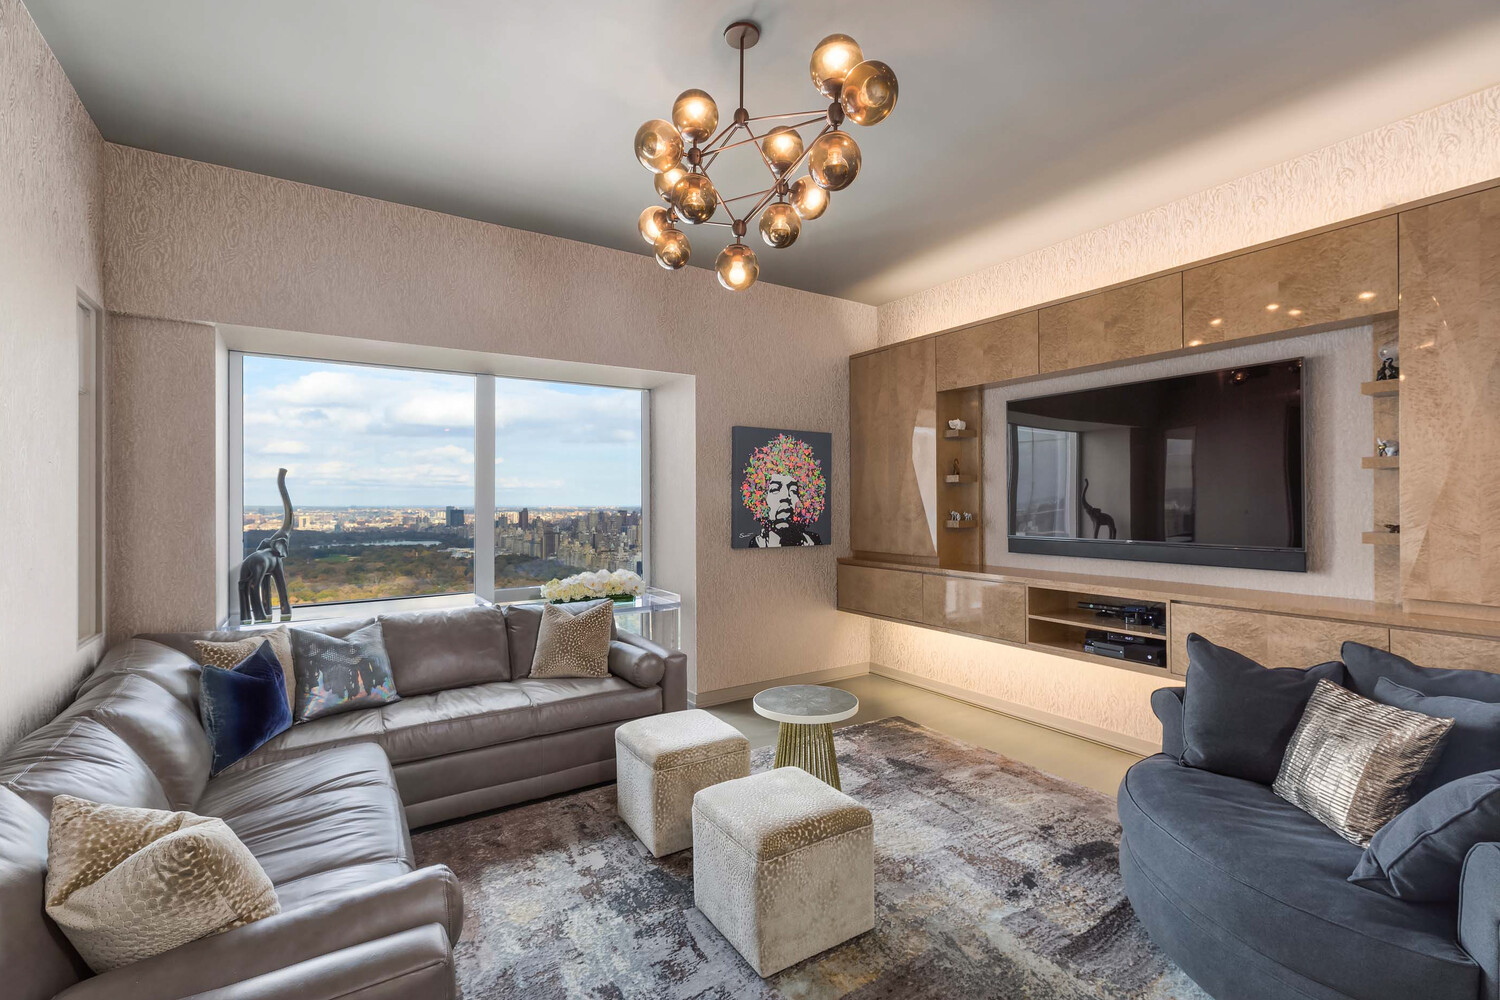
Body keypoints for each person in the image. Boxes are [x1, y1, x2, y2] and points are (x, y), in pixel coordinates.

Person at [737, 433, 826, 547]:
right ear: (760, 498)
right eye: (775, 489)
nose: (785, 497)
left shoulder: (814, 541)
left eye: (793, 490)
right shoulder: (754, 545)